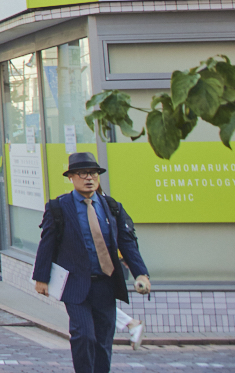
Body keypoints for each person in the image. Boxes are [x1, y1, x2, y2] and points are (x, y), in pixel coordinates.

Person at [33, 151, 151, 373]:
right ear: (71, 177)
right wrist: (41, 278)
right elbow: (47, 243)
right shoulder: (59, 207)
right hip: (75, 284)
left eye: (93, 173)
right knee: (84, 336)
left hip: (106, 284)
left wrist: (141, 274)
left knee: (103, 340)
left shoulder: (112, 207)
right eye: (82, 174)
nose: (89, 178)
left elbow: (127, 243)